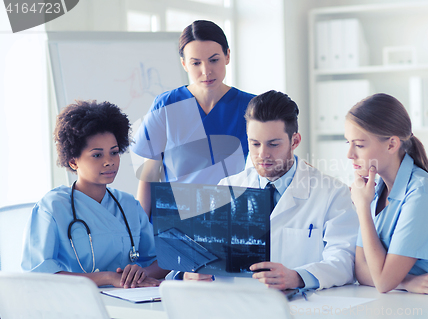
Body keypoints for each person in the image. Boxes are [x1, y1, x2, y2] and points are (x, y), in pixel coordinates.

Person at [183, 90, 359, 290]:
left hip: (299, 307)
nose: (262, 154)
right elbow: (200, 254)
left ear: (295, 141)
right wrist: (192, 272)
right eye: (254, 144)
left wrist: (298, 277)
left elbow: (344, 261)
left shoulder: (332, 193)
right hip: (236, 304)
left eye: (273, 144)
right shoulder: (227, 188)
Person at [346, 93, 428, 294]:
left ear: (391, 144)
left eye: (359, 145)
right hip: (411, 301)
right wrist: (407, 282)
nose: (350, 154)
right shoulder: (372, 190)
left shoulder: (422, 193)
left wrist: (363, 208)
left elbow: (382, 282)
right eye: (348, 143)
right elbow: (362, 270)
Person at [22, 100, 167, 288]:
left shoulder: (128, 205)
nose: (109, 162)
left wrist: (141, 273)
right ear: (73, 161)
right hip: (77, 306)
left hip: (132, 304)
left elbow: (163, 260)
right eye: (97, 155)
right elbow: (39, 274)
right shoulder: (52, 207)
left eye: (114, 152)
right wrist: (107, 278)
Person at [132, 20, 255, 218]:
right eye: (196, 63)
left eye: (214, 60)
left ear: (227, 56)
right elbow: (149, 175)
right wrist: (141, 232)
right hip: (174, 221)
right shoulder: (166, 105)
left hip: (229, 218)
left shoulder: (250, 107)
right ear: (184, 64)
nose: (206, 71)